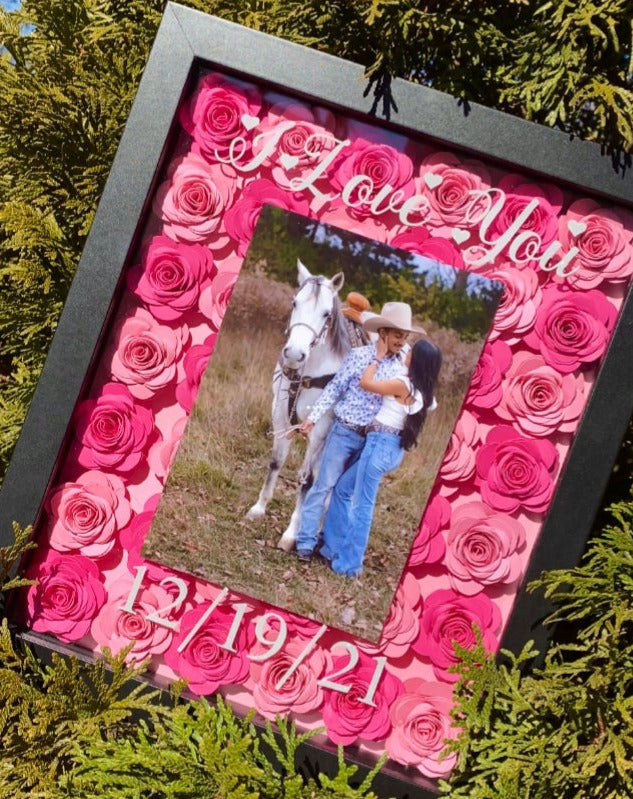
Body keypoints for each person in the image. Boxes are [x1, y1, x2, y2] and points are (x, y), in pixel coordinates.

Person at [294, 302, 425, 562]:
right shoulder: (359, 356)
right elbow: (334, 388)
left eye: (405, 336)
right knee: (324, 486)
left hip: (372, 441)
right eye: (397, 335)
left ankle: (329, 546)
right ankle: (305, 543)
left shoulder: (404, 365)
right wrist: (312, 417)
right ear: (384, 333)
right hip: (344, 432)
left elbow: (419, 393)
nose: (402, 341)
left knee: (345, 493)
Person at [321, 334, 442, 577]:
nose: (405, 354)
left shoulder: (401, 384)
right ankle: (332, 547)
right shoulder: (424, 392)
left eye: (410, 352)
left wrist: (376, 359)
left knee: (362, 506)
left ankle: (349, 565)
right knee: (343, 490)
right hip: (391, 447)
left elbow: (366, 382)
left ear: (415, 361)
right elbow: (430, 405)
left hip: (379, 446)